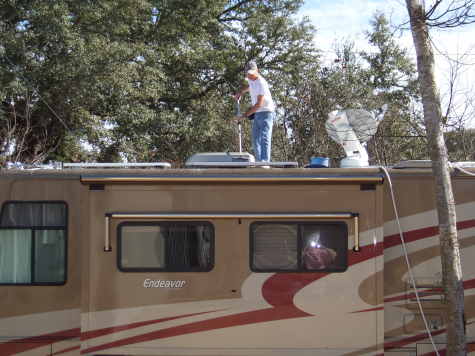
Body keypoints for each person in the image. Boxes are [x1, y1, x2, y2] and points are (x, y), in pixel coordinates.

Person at [234, 61, 276, 162]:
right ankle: (258, 161)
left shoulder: (261, 83)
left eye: (252, 73)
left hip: (266, 112)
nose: (250, 76)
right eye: (248, 73)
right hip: (258, 113)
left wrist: (244, 116)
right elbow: (250, 87)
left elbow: (259, 104)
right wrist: (240, 92)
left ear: (257, 70)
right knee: (255, 139)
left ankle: (265, 162)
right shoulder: (250, 79)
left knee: (264, 137)